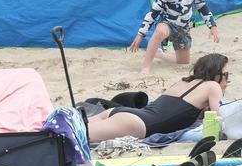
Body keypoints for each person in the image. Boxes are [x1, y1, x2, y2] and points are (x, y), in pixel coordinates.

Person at [86, 53, 229, 142]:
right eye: (226, 75)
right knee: (73, 139)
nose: (228, 81)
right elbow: (220, 120)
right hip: (137, 124)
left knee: (73, 127)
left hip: (123, 114)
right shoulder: (212, 86)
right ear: (216, 74)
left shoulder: (183, 82)